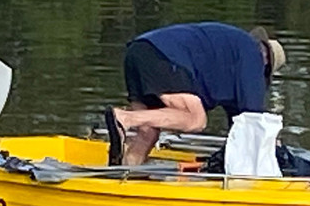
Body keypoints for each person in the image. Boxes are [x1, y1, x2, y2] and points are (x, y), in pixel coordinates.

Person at [104, 22, 286, 166]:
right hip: (162, 56)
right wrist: (274, 150)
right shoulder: (253, 56)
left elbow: (239, 124)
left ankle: (124, 172)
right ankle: (125, 119)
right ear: (266, 63)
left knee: (148, 132)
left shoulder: (233, 53)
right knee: (196, 119)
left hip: (137, 51)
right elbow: (254, 121)